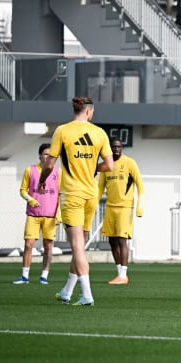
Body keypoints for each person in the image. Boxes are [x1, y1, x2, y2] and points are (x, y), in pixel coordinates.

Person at [48, 96, 113, 306]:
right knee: (80, 246)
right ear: (89, 112)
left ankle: (87, 294)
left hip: (72, 194)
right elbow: (109, 166)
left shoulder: (62, 131)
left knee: (77, 246)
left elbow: (50, 164)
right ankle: (67, 291)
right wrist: (93, 168)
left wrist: (41, 181)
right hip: (91, 195)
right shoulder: (99, 133)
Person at [98, 138, 144, 285]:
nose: (116, 149)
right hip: (110, 207)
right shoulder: (107, 166)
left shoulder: (130, 163)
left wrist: (139, 207)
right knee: (111, 241)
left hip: (125, 207)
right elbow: (100, 188)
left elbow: (140, 187)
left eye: (118, 147)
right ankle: (119, 274)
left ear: (121, 148)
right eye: (113, 147)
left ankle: (124, 275)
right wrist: (92, 205)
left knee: (121, 240)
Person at [15, 144, 59, 285]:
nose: (48, 157)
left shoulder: (58, 172)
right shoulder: (30, 170)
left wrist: (59, 215)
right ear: (40, 155)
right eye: (46, 154)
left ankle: (44, 276)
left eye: (50, 155)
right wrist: (31, 200)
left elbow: (61, 194)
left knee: (48, 246)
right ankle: (24, 276)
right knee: (29, 244)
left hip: (51, 216)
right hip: (33, 215)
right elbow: (22, 190)